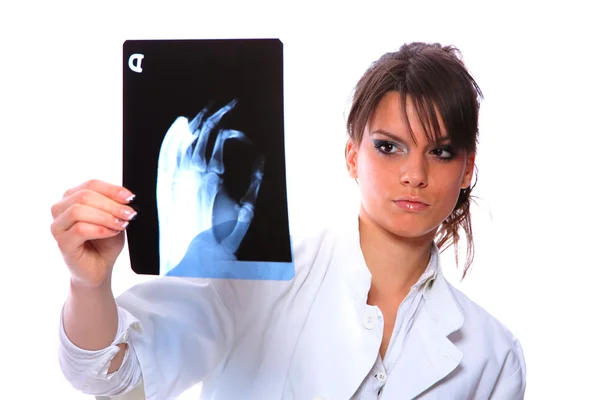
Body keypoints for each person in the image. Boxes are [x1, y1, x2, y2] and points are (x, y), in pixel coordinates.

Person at [53, 42, 526, 399]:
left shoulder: (493, 355)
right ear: (351, 156)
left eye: (440, 152)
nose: (415, 175)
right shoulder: (258, 276)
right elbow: (114, 372)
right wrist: (88, 285)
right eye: (389, 146)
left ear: (466, 168)